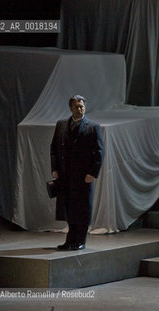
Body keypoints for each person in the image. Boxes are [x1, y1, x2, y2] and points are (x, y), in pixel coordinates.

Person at [50, 95, 105, 250]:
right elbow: (54, 148)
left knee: (82, 208)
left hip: (83, 176)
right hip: (66, 175)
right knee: (69, 208)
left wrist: (93, 173)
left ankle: (80, 240)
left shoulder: (93, 127)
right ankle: (70, 240)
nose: (80, 109)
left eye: (82, 106)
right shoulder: (61, 125)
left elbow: (99, 152)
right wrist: (54, 168)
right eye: (77, 107)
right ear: (71, 108)